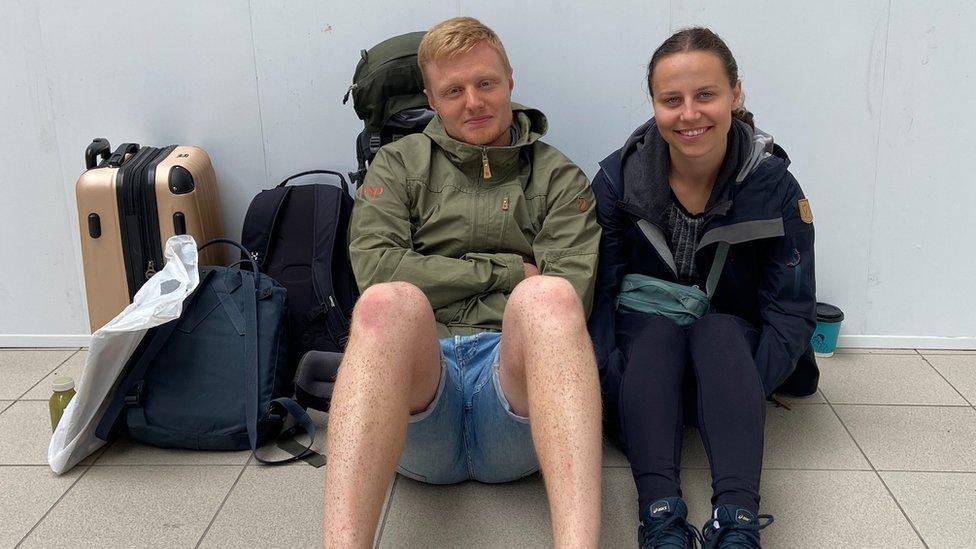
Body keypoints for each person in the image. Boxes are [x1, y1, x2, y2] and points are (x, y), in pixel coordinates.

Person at [323, 17, 603, 548]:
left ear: (510, 81)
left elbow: (570, 293)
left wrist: (441, 274)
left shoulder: (559, 177)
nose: (473, 102)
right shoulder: (397, 164)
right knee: (387, 303)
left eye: (485, 83)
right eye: (453, 90)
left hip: (514, 405)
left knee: (548, 297)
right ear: (431, 97)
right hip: (420, 405)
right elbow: (378, 268)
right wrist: (502, 272)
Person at [587, 28, 816, 548]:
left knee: (717, 333)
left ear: (736, 94)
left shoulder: (775, 185)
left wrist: (740, 387)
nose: (689, 114)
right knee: (654, 333)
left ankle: (736, 521)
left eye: (705, 95)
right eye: (672, 100)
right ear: (654, 106)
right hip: (642, 368)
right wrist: (612, 382)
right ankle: (660, 518)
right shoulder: (617, 181)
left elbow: (791, 308)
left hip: (735, 363)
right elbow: (598, 300)